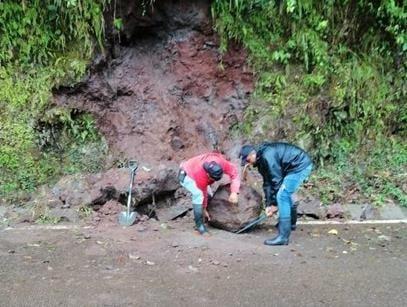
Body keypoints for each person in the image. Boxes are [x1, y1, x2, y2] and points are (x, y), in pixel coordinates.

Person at [239, 142, 313, 245]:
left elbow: (276, 180)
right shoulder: (261, 162)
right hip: (291, 168)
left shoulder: (267, 155)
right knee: (284, 195)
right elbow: (267, 183)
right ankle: (290, 224)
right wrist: (269, 204)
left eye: (247, 160)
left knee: (282, 196)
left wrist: (275, 205)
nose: (249, 163)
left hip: (299, 166)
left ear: (252, 154)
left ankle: (283, 237)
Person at [179, 152, 240, 235]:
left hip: (196, 168)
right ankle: (199, 226)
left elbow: (234, 173)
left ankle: (205, 217)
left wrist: (234, 192)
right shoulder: (200, 175)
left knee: (209, 196)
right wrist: (203, 209)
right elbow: (202, 192)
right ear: (208, 174)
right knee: (198, 195)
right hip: (186, 175)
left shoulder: (221, 162)